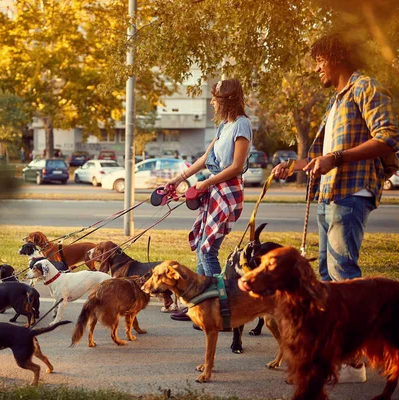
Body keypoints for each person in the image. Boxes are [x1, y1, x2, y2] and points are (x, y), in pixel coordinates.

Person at [272, 32, 399, 382]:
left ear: (334, 56)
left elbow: (388, 136)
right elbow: (325, 160)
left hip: (351, 193)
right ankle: (337, 349)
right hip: (329, 193)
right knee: (326, 278)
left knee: (343, 273)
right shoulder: (336, 101)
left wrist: (336, 157)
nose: (316, 68)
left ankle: (360, 347)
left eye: (318, 60)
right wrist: (295, 166)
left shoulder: (365, 87)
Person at [167, 79, 252, 321]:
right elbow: (206, 159)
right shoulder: (224, 125)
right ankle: (200, 305)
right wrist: (178, 179)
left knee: (207, 251)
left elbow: (236, 166)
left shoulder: (242, 125)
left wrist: (205, 183)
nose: (212, 102)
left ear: (227, 100)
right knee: (202, 248)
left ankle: (218, 308)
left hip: (227, 190)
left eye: (215, 98)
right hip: (215, 188)